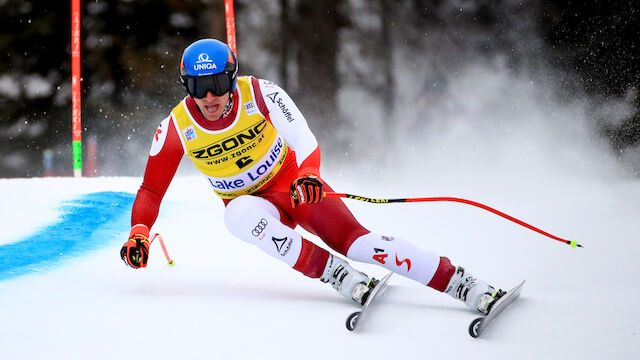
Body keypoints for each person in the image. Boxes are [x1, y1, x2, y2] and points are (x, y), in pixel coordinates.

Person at [120, 38, 505, 314]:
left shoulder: (260, 94)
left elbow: (303, 138)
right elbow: (152, 187)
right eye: (198, 87)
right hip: (252, 204)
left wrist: (309, 174)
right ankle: (334, 274)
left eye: (218, 83)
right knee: (236, 217)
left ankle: (462, 283)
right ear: (186, 86)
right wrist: (139, 230)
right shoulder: (176, 126)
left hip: (293, 186)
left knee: (358, 244)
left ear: (231, 77)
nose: (209, 97)